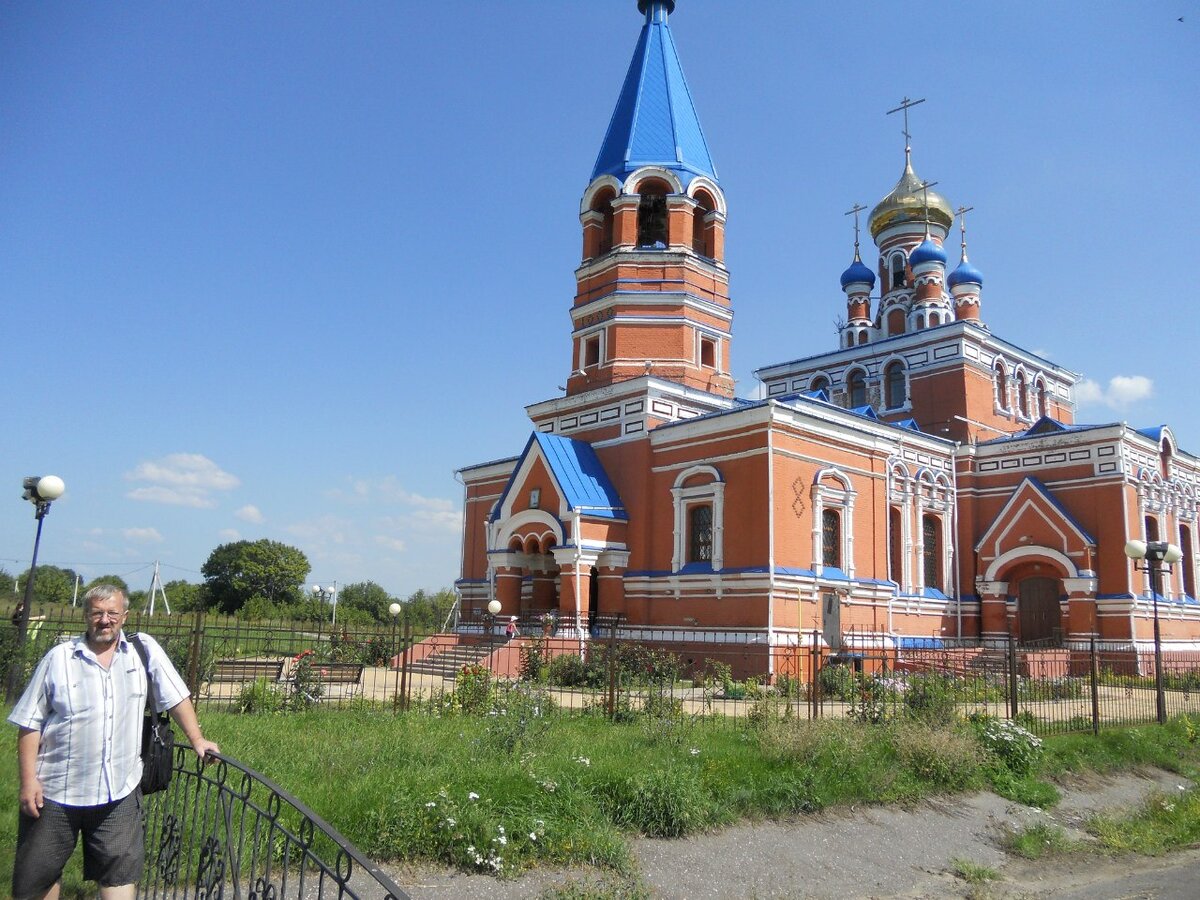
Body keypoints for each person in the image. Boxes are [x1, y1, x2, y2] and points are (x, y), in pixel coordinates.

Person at [8, 584, 220, 900]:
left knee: (119, 877)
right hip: (54, 792)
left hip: (117, 792)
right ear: (86, 616)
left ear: (124, 616)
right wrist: (28, 782)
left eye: (112, 613)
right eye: (97, 613)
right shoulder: (59, 659)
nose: (104, 620)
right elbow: (30, 723)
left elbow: (176, 696)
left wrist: (198, 739)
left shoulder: (142, 651)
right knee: (39, 879)